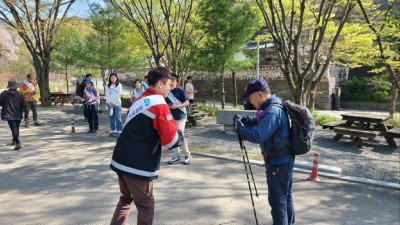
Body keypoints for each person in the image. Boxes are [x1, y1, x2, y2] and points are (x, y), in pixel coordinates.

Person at [110, 67, 184, 225]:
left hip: (121, 157)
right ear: (159, 84)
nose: (170, 89)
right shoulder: (160, 106)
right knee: (146, 206)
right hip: (138, 164)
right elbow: (171, 141)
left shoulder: (140, 98)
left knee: (125, 199)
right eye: (169, 85)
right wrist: (180, 134)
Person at [233, 78, 295, 225]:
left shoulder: (272, 111)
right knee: (285, 197)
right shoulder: (272, 106)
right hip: (283, 160)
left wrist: (241, 129)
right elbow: (261, 121)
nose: (250, 101)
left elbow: (258, 135)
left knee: (278, 201)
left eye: (250, 97)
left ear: (260, 95)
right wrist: (244, 119)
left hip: (278, 164)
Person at [165, 74, 191, 165]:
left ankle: (187, 154)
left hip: (181, 115)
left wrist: (177, 106)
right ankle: (176, 155)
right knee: (172, 136)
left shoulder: (180, 90)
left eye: (173, 79)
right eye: (170, 79)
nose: (171, 80)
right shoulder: (166, 91)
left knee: (180, 134)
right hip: (170, 117)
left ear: (176, 80)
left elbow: (187, 102)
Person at [0, 80, 26, 150]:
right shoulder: (20, 94)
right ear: (16, 87)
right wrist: (26, 113)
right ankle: (14, 140)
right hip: (18, 114)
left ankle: (17, 142)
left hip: (8, 114)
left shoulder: (3, 94)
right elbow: (24, 104)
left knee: (13, 129)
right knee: (16, 128)